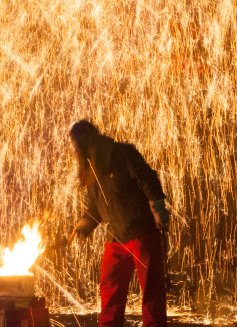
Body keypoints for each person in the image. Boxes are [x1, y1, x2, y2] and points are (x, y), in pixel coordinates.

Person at [69, 120, 171, 327]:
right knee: (110, 289)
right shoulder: (91, 169)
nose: (75, 150)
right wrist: (85, 224)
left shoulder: (123, 154)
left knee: (151, 292)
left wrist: (158, 209)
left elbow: (147, 179)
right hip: (115, 235)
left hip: (141, 230)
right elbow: (96, 205)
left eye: (75, 144)